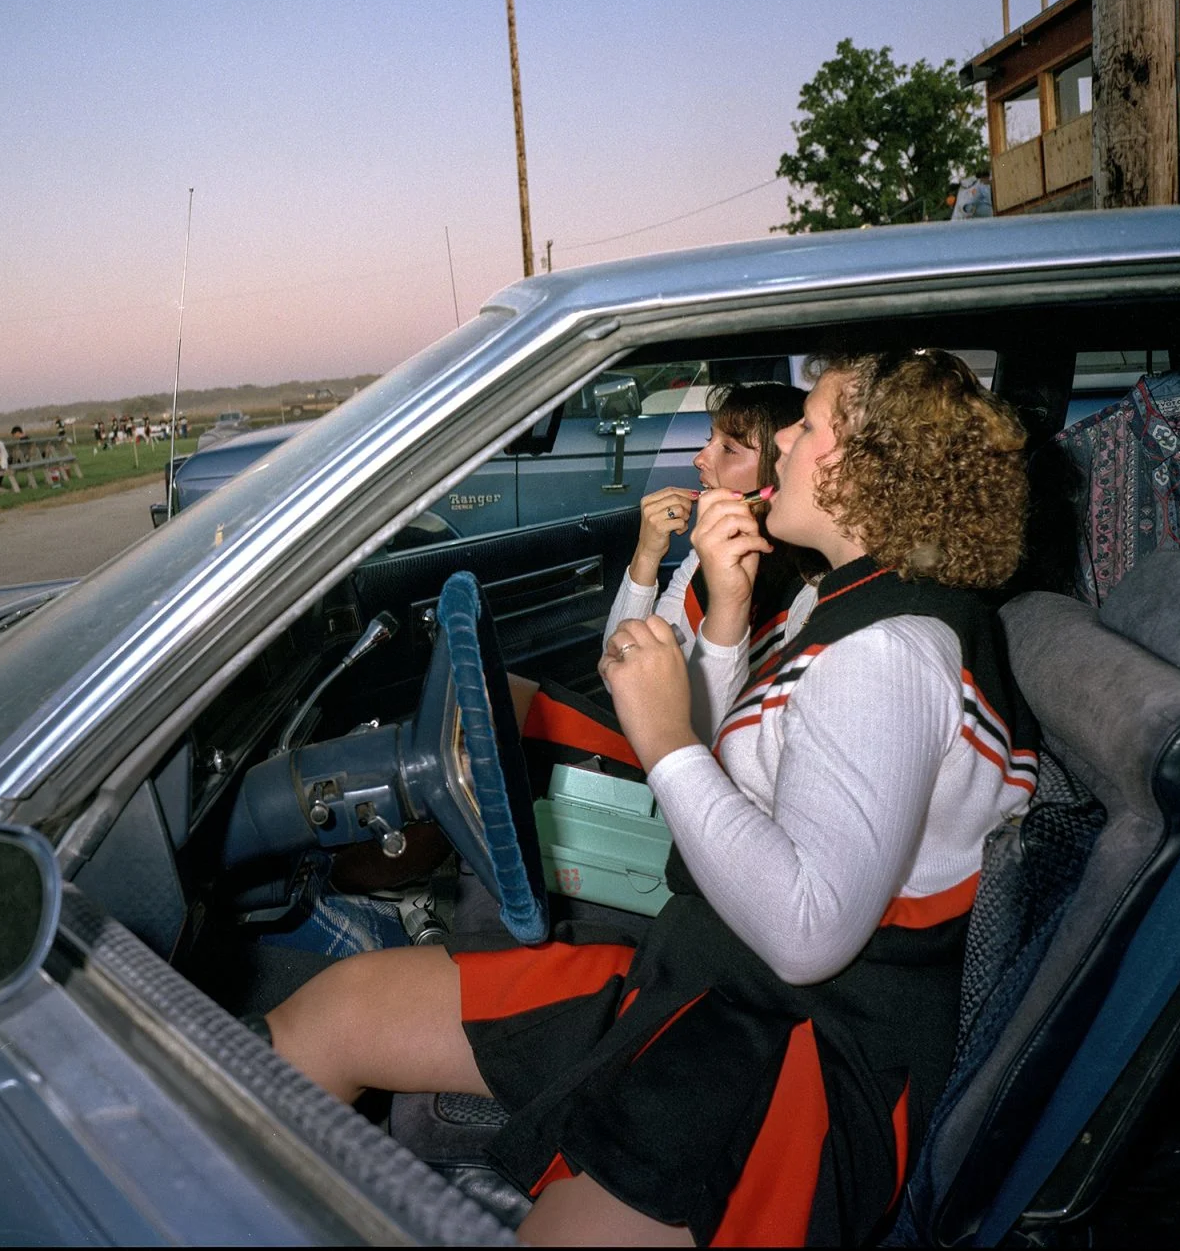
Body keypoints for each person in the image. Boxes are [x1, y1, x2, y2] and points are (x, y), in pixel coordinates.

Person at [266, 350, 1036, 1246]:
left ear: (867, 468)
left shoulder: (890, 656)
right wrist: (725, 623)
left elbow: (805, 931)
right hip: (706, 969)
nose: (784, 437)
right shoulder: (847, 603)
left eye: (809, 424)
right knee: (339, 1013)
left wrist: (666, 737)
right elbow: (739, 777)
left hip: (791, 1052)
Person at [518, 381, 821, 781]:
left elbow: (715, 742)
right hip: (656, 736)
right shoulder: (706, 555)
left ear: (783, 468)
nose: (700, 459)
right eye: (707, 441)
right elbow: (617, 667)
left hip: (689, 768)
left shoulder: (806, 596)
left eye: (728, 449)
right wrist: (647, 554)